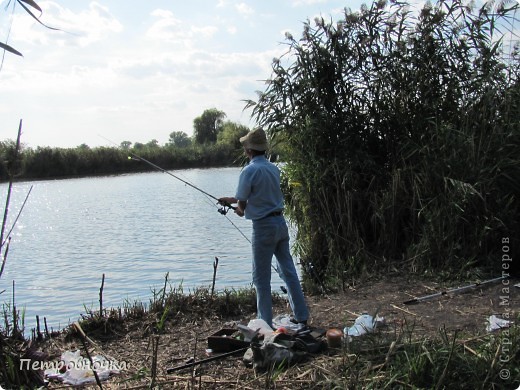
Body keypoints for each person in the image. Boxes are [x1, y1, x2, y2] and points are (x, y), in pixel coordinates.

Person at [219, 127, 309, 329]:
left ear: (248, 150)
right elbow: (257, 195)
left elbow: (242, 204)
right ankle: (301, 315)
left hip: (263, 228)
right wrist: (230, 199)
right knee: (289, 271)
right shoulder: (273, 168)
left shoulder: (249, 170)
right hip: (280, 224)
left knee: (261, 278)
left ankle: (265, 324)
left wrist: (239, 209)